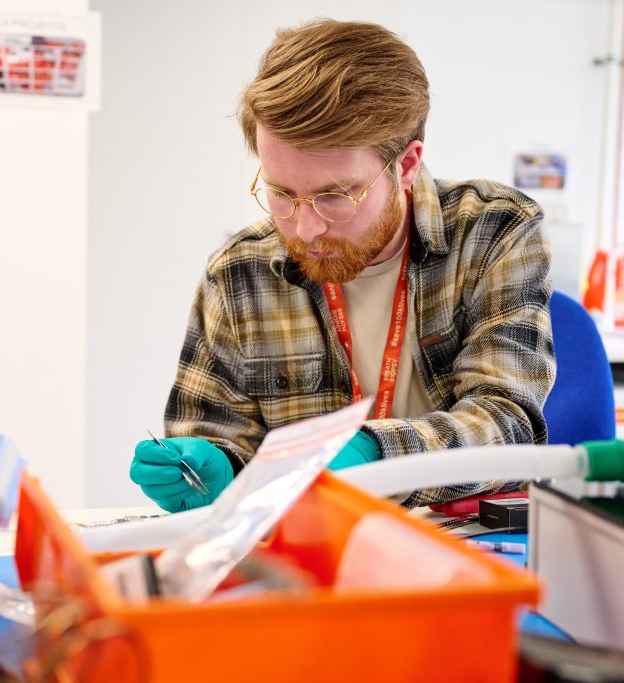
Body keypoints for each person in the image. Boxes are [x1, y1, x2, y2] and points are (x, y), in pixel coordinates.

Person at [130, 19, 555, 512]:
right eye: (282, 194)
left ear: (407, 164)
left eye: (335, 196)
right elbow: (216, 442)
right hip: (310, 560)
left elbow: (506, 423)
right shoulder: (239, 272)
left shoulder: (494, 232)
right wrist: (217, 470)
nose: (305, 229)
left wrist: (376, 455)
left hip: (457, 550)